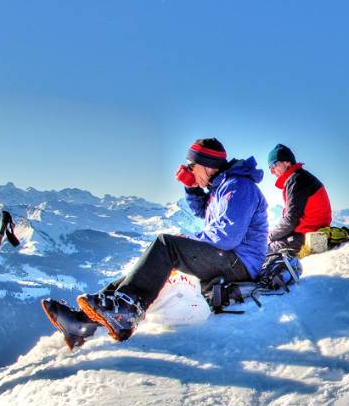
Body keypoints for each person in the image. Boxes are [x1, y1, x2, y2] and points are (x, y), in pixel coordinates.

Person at [42, 138, 269, 347]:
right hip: (229, 258)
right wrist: (190, 187)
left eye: (192, 167)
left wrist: (188, 242)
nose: (189, 170)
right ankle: (86, 322)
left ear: (207, 165)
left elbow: (228, 237)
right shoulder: (221, 187)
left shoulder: (239, 187)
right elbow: (203, 211)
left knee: (166, 245)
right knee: (153, 265)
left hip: (240, 263)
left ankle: (125, 312)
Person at [267, 143, 332, 256]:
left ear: (287, 162)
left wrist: (269, 236)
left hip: (308, 235)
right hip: (314, 232)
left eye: (273, 165)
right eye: (269, 167)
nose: (271, 172)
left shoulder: (297, 180)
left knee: (261, 251)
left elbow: (291, 220)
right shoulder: (299, 177)